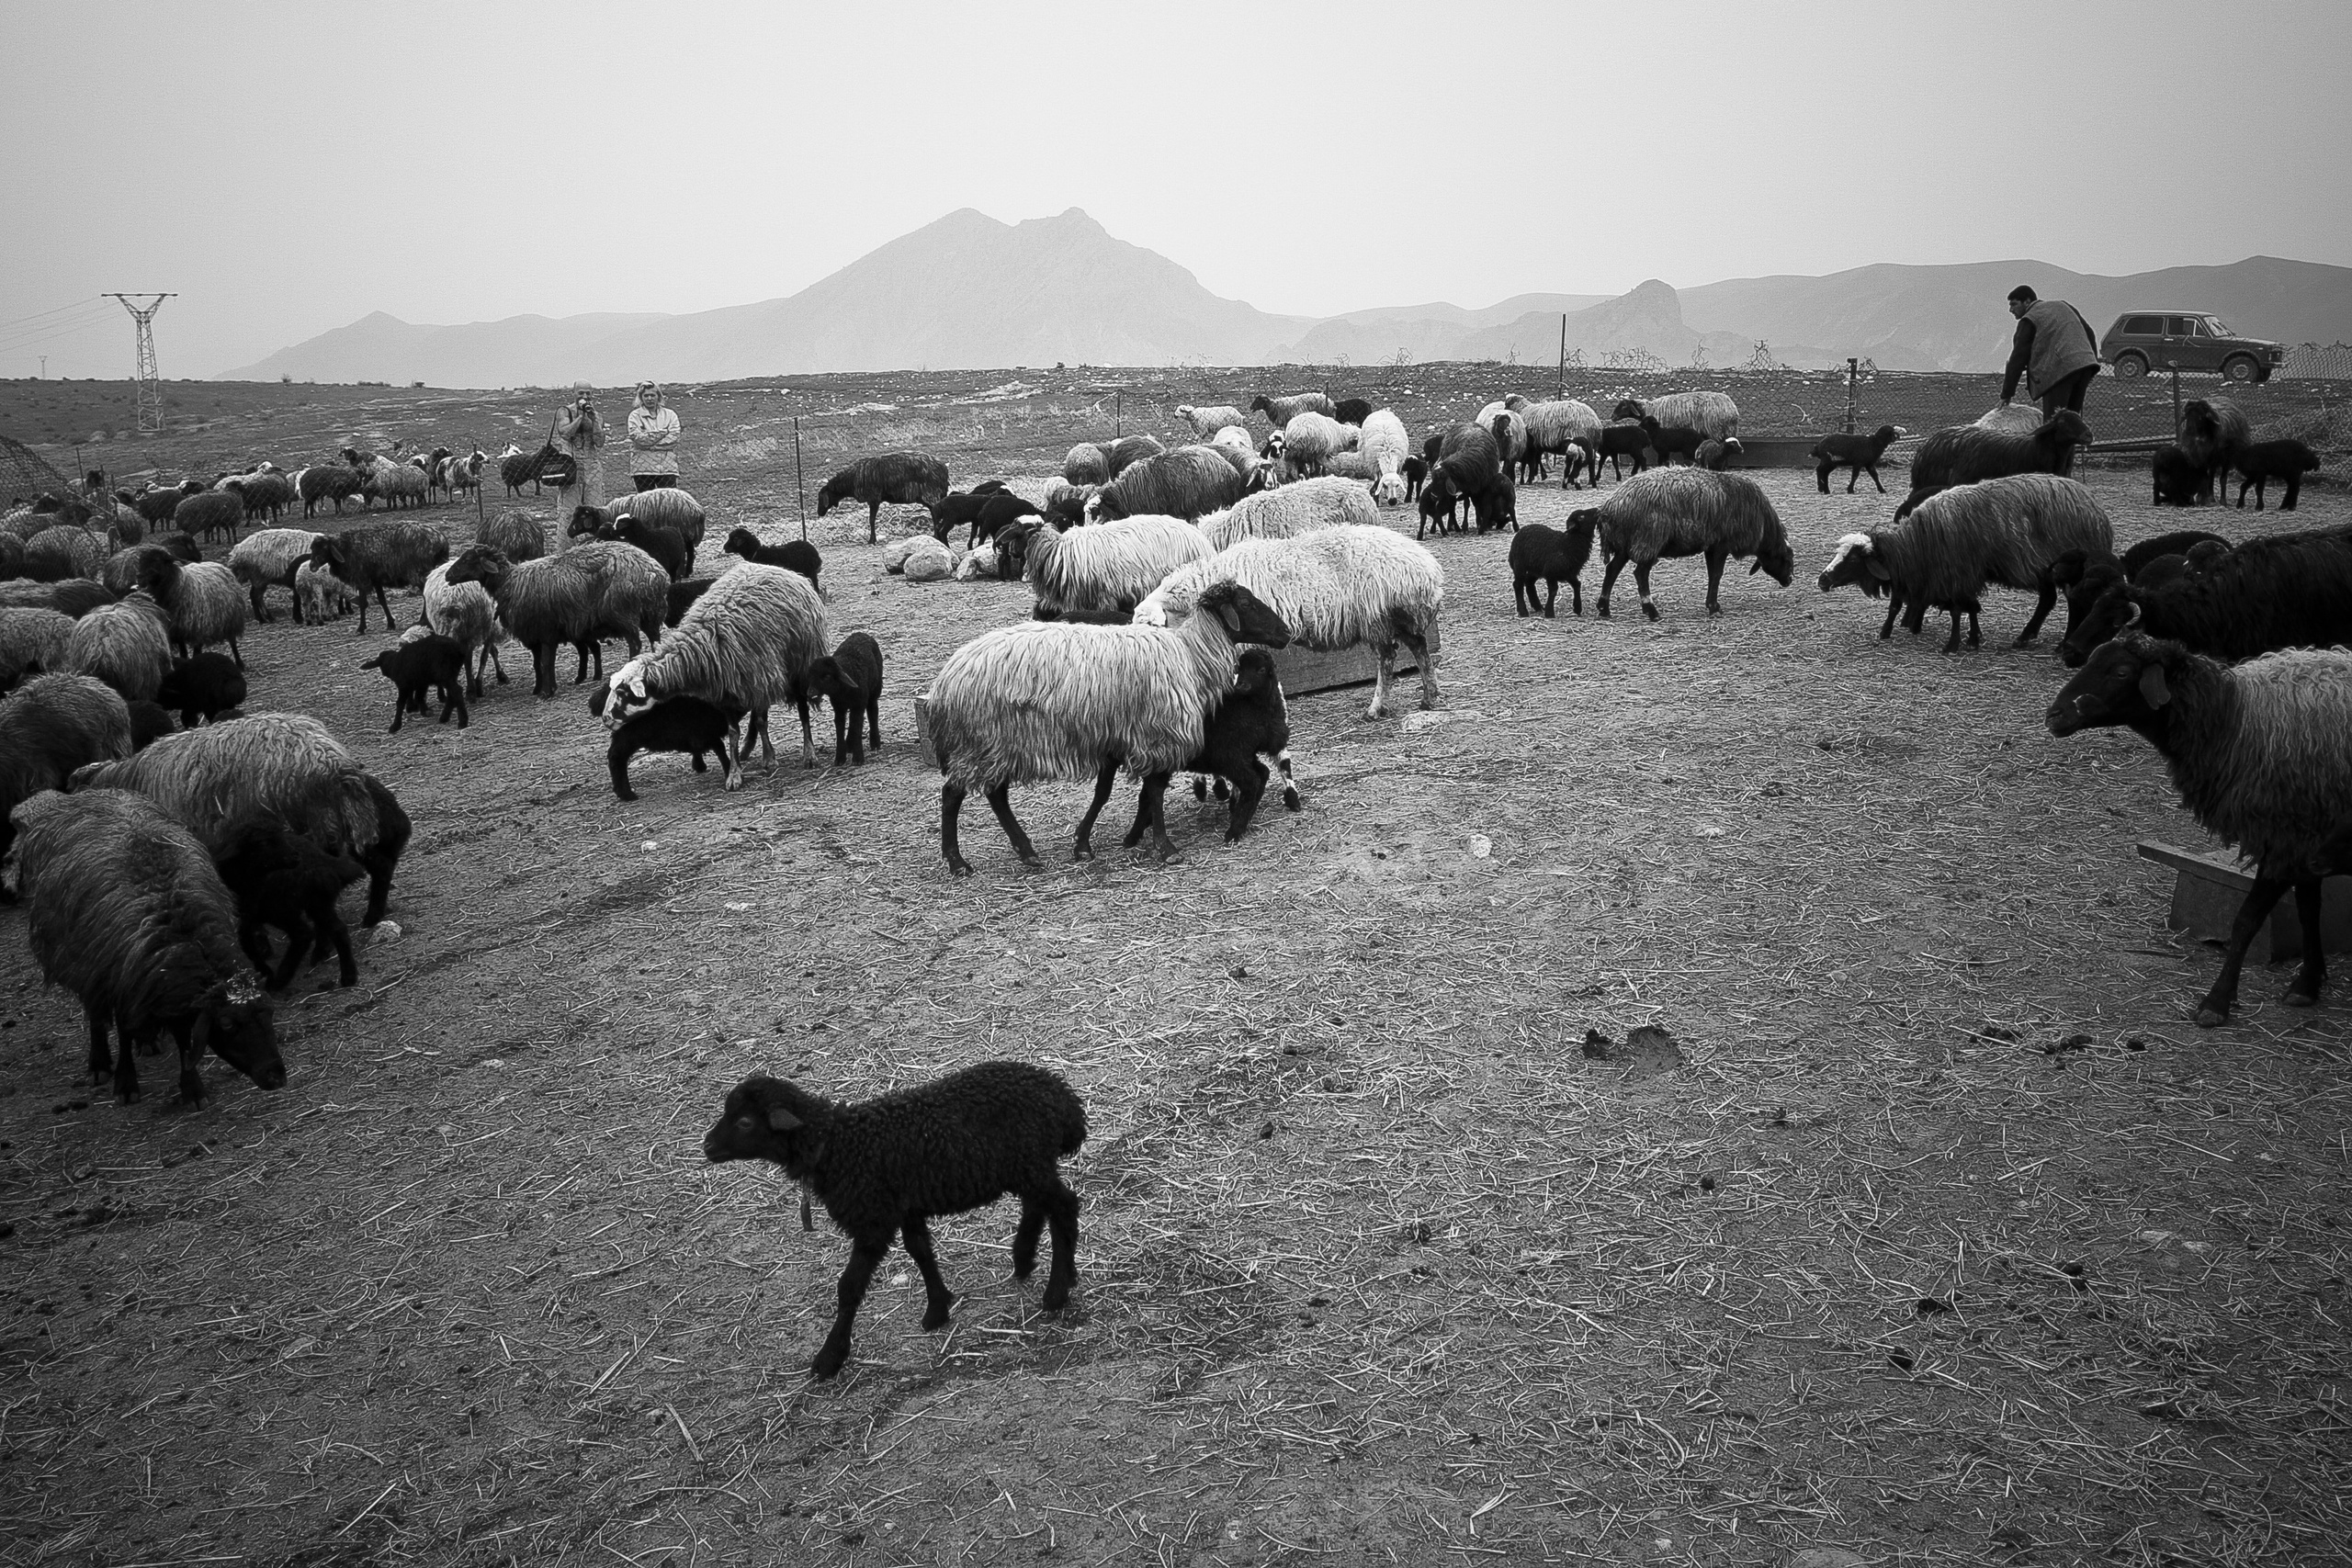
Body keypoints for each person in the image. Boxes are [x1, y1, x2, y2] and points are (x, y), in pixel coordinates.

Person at [1999, 285, 2101, 422]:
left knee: (2054, 423)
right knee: (2072, 422)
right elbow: (2089, 333)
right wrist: (2090, 362)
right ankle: (2071, 444)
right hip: (2085, 366)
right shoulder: (2063, 306)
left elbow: (2018, 358)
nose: (2011, 309)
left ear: (2027, 302)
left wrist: (2006, 394)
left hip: (2060, 372)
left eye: (2014, 304)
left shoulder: (2029, 319)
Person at [551, 387, 605, 547]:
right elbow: (565, 433)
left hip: (592, 466)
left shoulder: (596, 414)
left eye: (588, 393)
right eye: (581, 393)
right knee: (568, 512)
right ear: (574, 393)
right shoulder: (564, 412)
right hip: (571, 467)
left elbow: (600, 442)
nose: (585, 396)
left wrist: (594, 420)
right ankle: (564, 551)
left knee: (597, 511)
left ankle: (596, 548)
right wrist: (580, 417)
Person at [627, 381, 681, 491]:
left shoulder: (670, 415)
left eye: (653, 395)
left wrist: (650, 445)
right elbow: (638, 438)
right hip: (643, 469)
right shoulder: (634, 416)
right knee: (646, 505)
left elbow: (674, 438)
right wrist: (663, 433)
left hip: (667, 469)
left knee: (668, 503)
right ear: (641, 397)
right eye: (646, 395)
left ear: (658, 397)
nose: (649, 398)